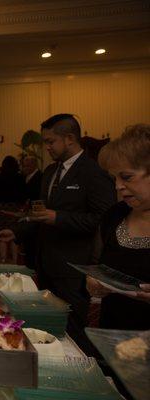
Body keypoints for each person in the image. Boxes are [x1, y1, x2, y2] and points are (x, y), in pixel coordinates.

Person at [0, 114, 116, 354]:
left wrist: (58, 217)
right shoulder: (50, 171)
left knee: (74, 333)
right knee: (49, 330)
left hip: (73, 268)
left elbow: (103, 219)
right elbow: (40, 215)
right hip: (46, 264)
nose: (47, 147)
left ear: (70, 138)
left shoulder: (92, 172)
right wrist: (17, 232)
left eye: (51, 141)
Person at [86, 124, 150, 330]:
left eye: (127, 177)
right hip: (113, 338)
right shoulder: (115, 215)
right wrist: (92, 282)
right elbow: (97, 266)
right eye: (115, 178)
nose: (118, 186)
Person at [0, 156, 27, 263]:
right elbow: (24, 193)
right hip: (15, 208)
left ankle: (3, 259)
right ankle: (15, 260)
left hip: (2, 207)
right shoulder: (20, 176)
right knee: (14, 233)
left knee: (2, 233)